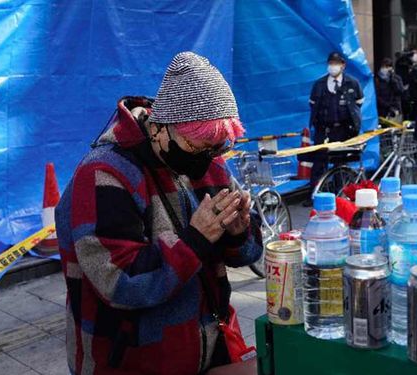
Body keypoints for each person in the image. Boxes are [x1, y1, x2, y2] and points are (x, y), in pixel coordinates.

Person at [55, 52, 262, 375]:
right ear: (161, 128)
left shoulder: (211, 165)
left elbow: (247, 253)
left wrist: (239, 231)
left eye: (217, 148)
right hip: (132, 362)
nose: (206, 159)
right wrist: (193, 242)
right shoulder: (104, 174)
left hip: (209, 350)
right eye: (195, 147)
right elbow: (119, 283)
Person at [304, 52, 364, 206]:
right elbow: (312, 104)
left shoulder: (352, 83)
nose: (333, 66)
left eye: (336, 63)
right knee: (319, 162)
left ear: (343, 65)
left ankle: (341, 195)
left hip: (344, 130)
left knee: (341, 163)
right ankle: (314, 195)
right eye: (331, 63)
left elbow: (358, 103)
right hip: (323, 130)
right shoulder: (319, 84)